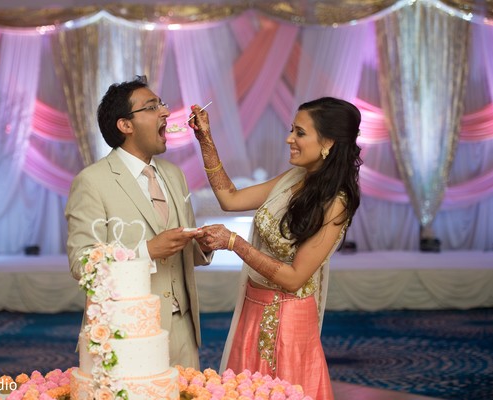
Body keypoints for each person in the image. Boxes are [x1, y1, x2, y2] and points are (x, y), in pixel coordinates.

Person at [190, 97, 362, 400]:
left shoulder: (337, 202)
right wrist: (206, 141)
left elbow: (295, 278)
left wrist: (235, 243)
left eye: (299, 132)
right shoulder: (296, 178)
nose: (289, 139)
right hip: (253, 307)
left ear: (329, 142)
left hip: (288, 320)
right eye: (291, 130)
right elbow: (230, 199)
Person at [65, 76, 212, 369]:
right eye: (152, 106)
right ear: (126, 125)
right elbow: (82, 264)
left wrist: (203, 246)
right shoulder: (92, 181)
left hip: (183, 331)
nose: (166, 113)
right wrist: (146, 251)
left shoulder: (174, 174)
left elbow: (182, 249)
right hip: (125, 333)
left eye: (163, 104)